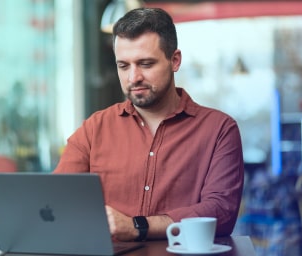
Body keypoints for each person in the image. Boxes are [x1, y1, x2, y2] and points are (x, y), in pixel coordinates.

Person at [53, 7, 244, 242]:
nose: (133, 78)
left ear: (174, 60)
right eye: (123, 66)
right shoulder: (95, 128)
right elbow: (57, 201)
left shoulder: (219, 130)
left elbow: (221, 213)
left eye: (145, 64)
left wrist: (138, 226)